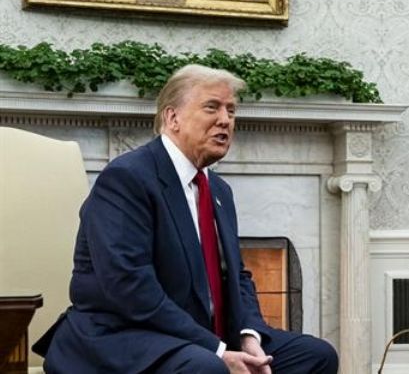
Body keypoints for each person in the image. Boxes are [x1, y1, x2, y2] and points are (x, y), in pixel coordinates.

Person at [32, 64, 338, 374]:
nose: (225, 120)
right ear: (172, 118)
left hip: (197, 338)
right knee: (207, 368)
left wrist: (249, 336)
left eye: (231, 110)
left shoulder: (218, 190)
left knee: (316, 356)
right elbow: (129, 287)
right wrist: (218, 350)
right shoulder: (127, 178)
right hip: (125, 337)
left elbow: (238, 277)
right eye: (212, 107)